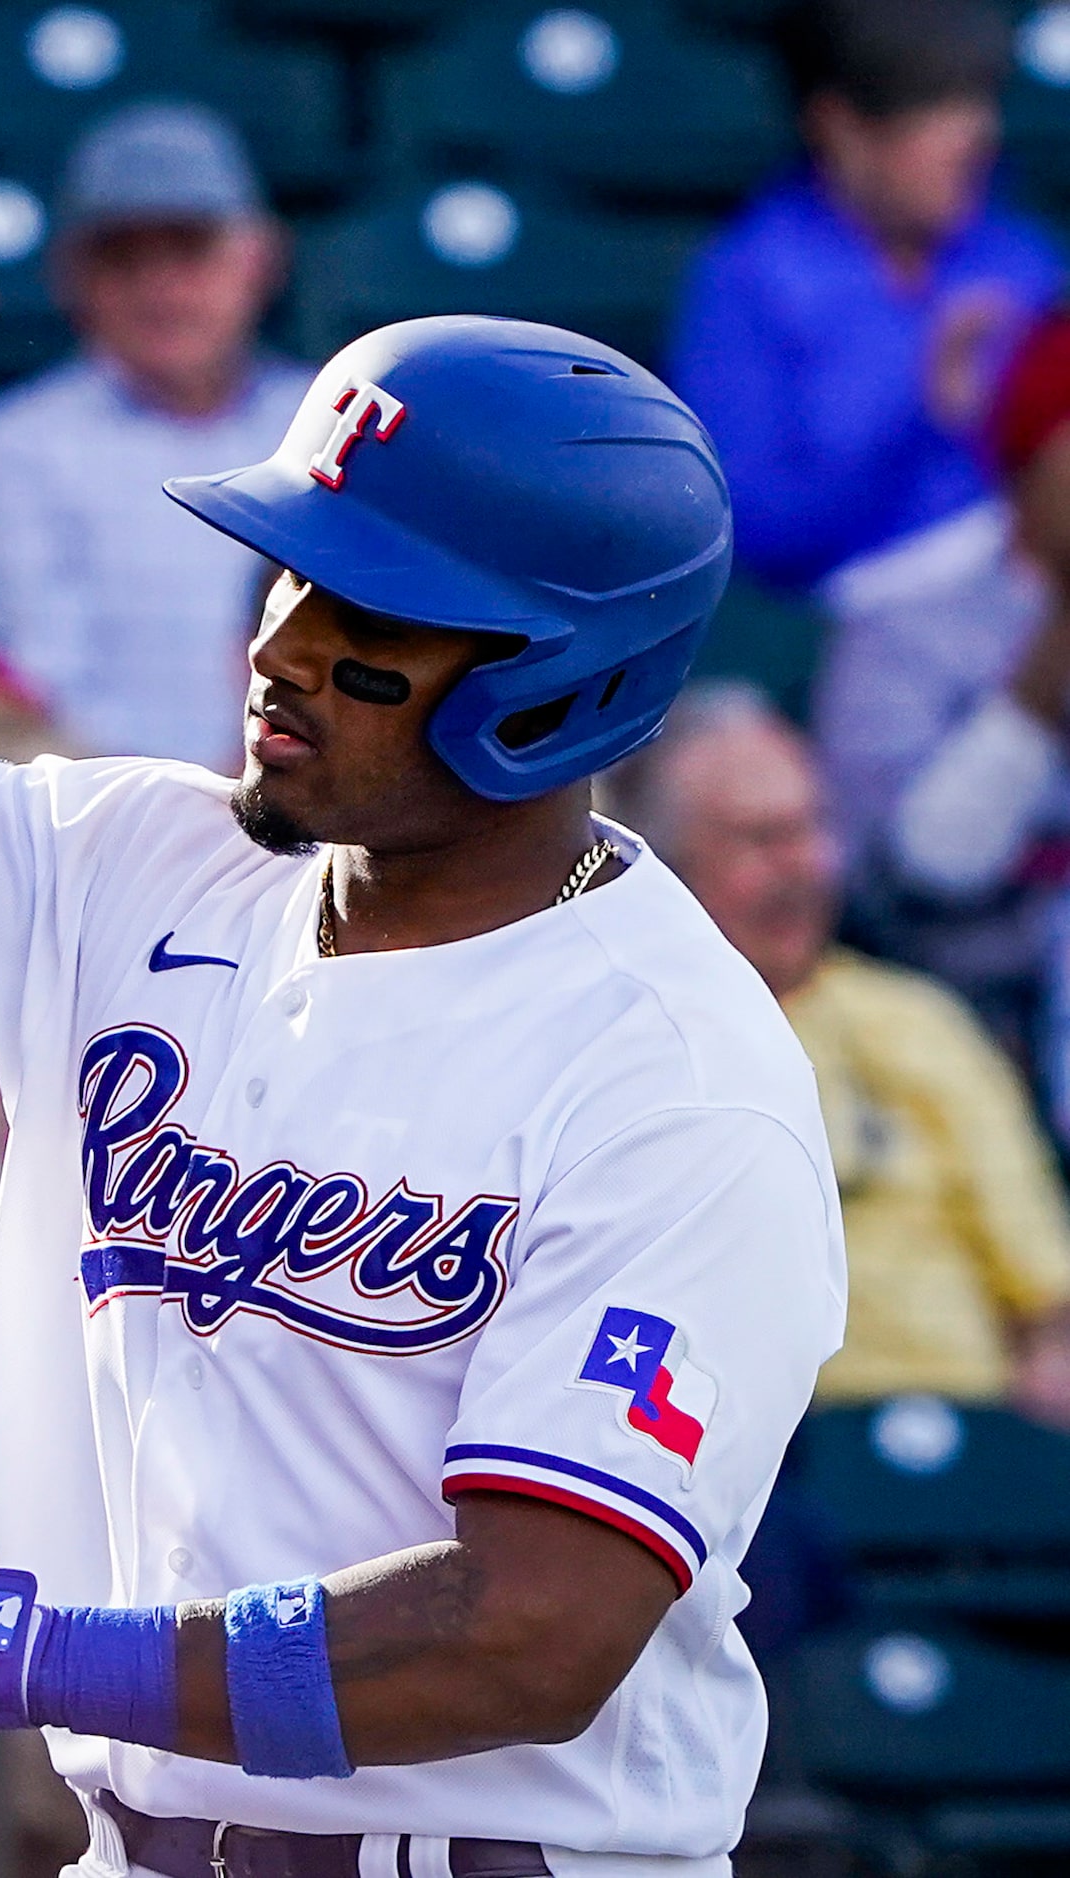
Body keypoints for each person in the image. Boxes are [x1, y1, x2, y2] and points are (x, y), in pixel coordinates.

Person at [0, 310, 841, 1875]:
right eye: (288, 567)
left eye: (371, 611)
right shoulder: (132, 860)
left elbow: (529, 1635)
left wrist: (25, 1656)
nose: (278, 645)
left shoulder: (676, 1078)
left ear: (564, 683)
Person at [605, 682, 1070, 1425]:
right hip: (729, 1443)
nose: (805, 866)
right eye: (762, 839)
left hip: (960, 1442)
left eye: (813, 829)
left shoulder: (917, 1021)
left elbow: (1048, 1304)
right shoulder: (611, 1036)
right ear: (667, 863)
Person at [0, 101, 308, 771]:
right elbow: (44, 679)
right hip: (99, 817)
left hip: (313, 806)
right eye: (122, 258)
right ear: (71, 274)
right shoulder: (13, 446)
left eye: (190, 249)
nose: (160, 287)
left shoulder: (328, 415)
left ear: (260, 257)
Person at [670, 0, 1057, 598]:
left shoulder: (1018, 258)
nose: (976, 135)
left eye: (979, 102)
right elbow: (749, 533)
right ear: (838, 126)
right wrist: (922, 419)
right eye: (935, 107)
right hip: (841, 634)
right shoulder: (751, 282)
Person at [812, 306, 1070, 1057]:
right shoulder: (903, 615)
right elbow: (918, 876)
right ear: (1034, 456)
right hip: (957, 1022)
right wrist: (1058, 631)